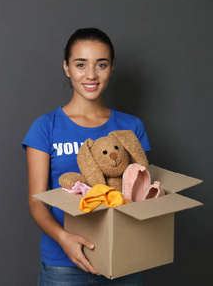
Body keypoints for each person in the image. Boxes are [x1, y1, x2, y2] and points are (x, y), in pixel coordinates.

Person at [22, 28, 151, 286]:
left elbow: (141, 193)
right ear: (67, 67)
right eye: (81, 64)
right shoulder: (45, 127)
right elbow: (37, 202)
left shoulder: (131, 126)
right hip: (63, 266)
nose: (91, 75)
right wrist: (63, 239)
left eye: (101, 64)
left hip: (122, 260)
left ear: (112, 67)